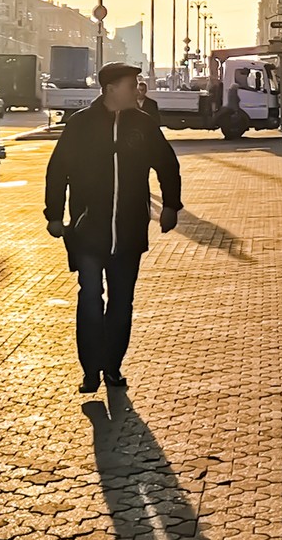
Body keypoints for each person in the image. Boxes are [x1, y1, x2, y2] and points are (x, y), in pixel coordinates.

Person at [44, 62, 182, 395]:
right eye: (131, 84)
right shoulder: (81, 125)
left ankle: (112, 367)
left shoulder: (143, 125)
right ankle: (90, 369)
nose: (137, 89)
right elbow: (57, 170)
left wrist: (171, 206)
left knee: (122, 302)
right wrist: (54, 214)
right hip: (87, 230)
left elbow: (167, 165)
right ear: (110, 89)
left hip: (130, 231)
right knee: (90, 298)